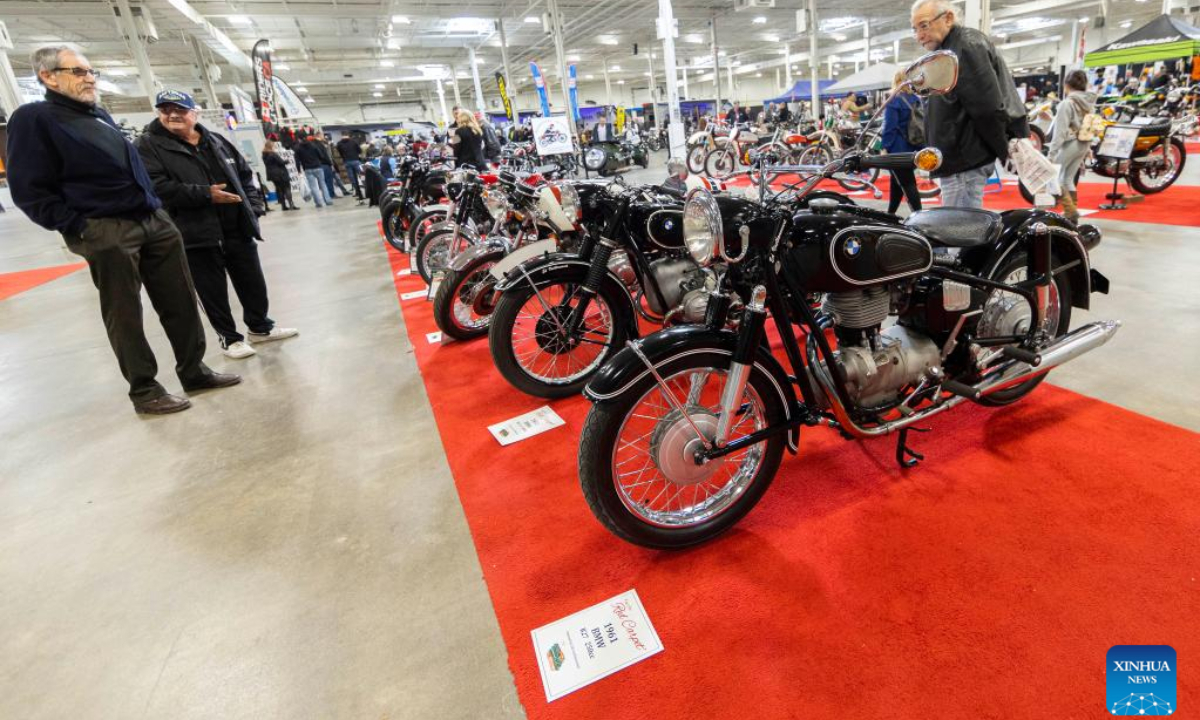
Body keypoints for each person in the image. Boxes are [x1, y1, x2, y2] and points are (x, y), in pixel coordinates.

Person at [6, 47, 238, 414]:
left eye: (90, 70)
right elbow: (28, 189)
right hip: (105, 227)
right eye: (78, 71)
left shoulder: (97, 114)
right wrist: (79, 227)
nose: (90, 78)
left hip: (152, 220)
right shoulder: (34, 118)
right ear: (48, 77)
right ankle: (145, 390)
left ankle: (194, 370)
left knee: (181, 300)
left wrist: (156, 209)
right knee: (125, 311)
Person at [136, 90, 298, 360]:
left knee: (252, 283)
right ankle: (229, 338)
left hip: (237, 228)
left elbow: (246, 175)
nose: (173, 115)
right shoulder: (147, 146)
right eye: (165, 110)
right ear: (158, 113)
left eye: (180, 109)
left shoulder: (216, 140)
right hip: (194, 232)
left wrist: (254, 207)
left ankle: (260, 328)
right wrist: (205, 194)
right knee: (212, 290)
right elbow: (156, 187)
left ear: (194, 113)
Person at [911, 0, 1027, 208]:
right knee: (959, 229)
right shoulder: (949, 50)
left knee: (961, 232)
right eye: (915, 29)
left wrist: (1004, 150)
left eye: (924, 25)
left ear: (948, 18)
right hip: (959, 160)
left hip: (964, 161)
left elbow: (986, 107)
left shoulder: (964, 47)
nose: (919, 36)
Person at [1047, 70, 1096, 224]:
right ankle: (1071, 213)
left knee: (1056, 178)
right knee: (1068, 178)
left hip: (1070, 143)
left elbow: (1059, 133)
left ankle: (1071, 211)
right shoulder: (1089, 104)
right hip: (1084, 143)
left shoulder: (1066, 103)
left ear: (1066, 85)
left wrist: (1051, 155)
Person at [881, 71, 923, 215]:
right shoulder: (917, 99)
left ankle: (920, 216)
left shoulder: (894, 100)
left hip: (898, 148)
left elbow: (889, 127)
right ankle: (890, 214)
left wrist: (884, 147)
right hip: (915, 146)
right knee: (897, 181)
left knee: (908, 183)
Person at [293, 135, 329, 207]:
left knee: (313, 187)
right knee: (323, 184)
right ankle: (328, 200)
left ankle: (319, 203)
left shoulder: (298, 148)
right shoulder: (313, 145)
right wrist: (319, 161)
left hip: (307, 169)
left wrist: (299, 171)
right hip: (318, 167)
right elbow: (321, 156)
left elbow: (297, 161)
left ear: (299, 140)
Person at [262, 140, 297, 211]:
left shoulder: (264, 155)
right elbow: (281, 162)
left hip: (272, 175)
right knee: (287, 188)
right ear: (271, 146)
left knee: (279, 190)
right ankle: (291, 205)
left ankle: (283, 206)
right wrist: (288, 160)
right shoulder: (273, 154)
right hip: (280, 174)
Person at [335, 133, 364, 199]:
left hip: (347, 162)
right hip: (356, 161)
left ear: (341, 136)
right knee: (362, 175)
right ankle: (368, 189)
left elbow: (340, 153)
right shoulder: (353, 141)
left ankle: (358, 192)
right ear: (348, 135)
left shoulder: (339, 144)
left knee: (352, 178)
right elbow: (360, 150)